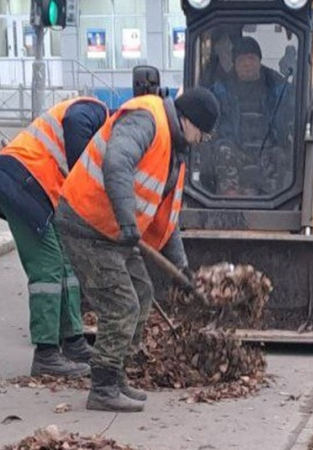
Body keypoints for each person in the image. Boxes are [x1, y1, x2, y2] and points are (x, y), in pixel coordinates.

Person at [55, 88, 220, 412]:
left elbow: (165, 218)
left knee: (142, 292)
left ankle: (116, 376)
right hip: (87, 223)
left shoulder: (175, 154)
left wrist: (182, 267)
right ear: (188, 120)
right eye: (203, 132)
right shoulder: (147, 119)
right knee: (122, 304)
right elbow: (117, 161)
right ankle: (101, 388)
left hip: (115, 229)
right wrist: (127, 220)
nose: (203, 140)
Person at [0, 97, 109, 378]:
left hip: (39, 191)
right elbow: (74, 123)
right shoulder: (96, 111)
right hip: (20, 184)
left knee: (67, 265)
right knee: (47, 267)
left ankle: (73, 342)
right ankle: (46, 354)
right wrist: (83, 176)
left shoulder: (101, 136)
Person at [210, 36, 294, 195]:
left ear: (259, 60)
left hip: (267, 149)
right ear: (234, 64)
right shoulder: (220, 91)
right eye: (241, 59)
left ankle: (271, 201)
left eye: (251, 58)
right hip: (235, 148)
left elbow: (292, 114)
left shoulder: (279, 87)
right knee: (223, 151)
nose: (247, 64)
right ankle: (230, 202)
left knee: (280, 156)